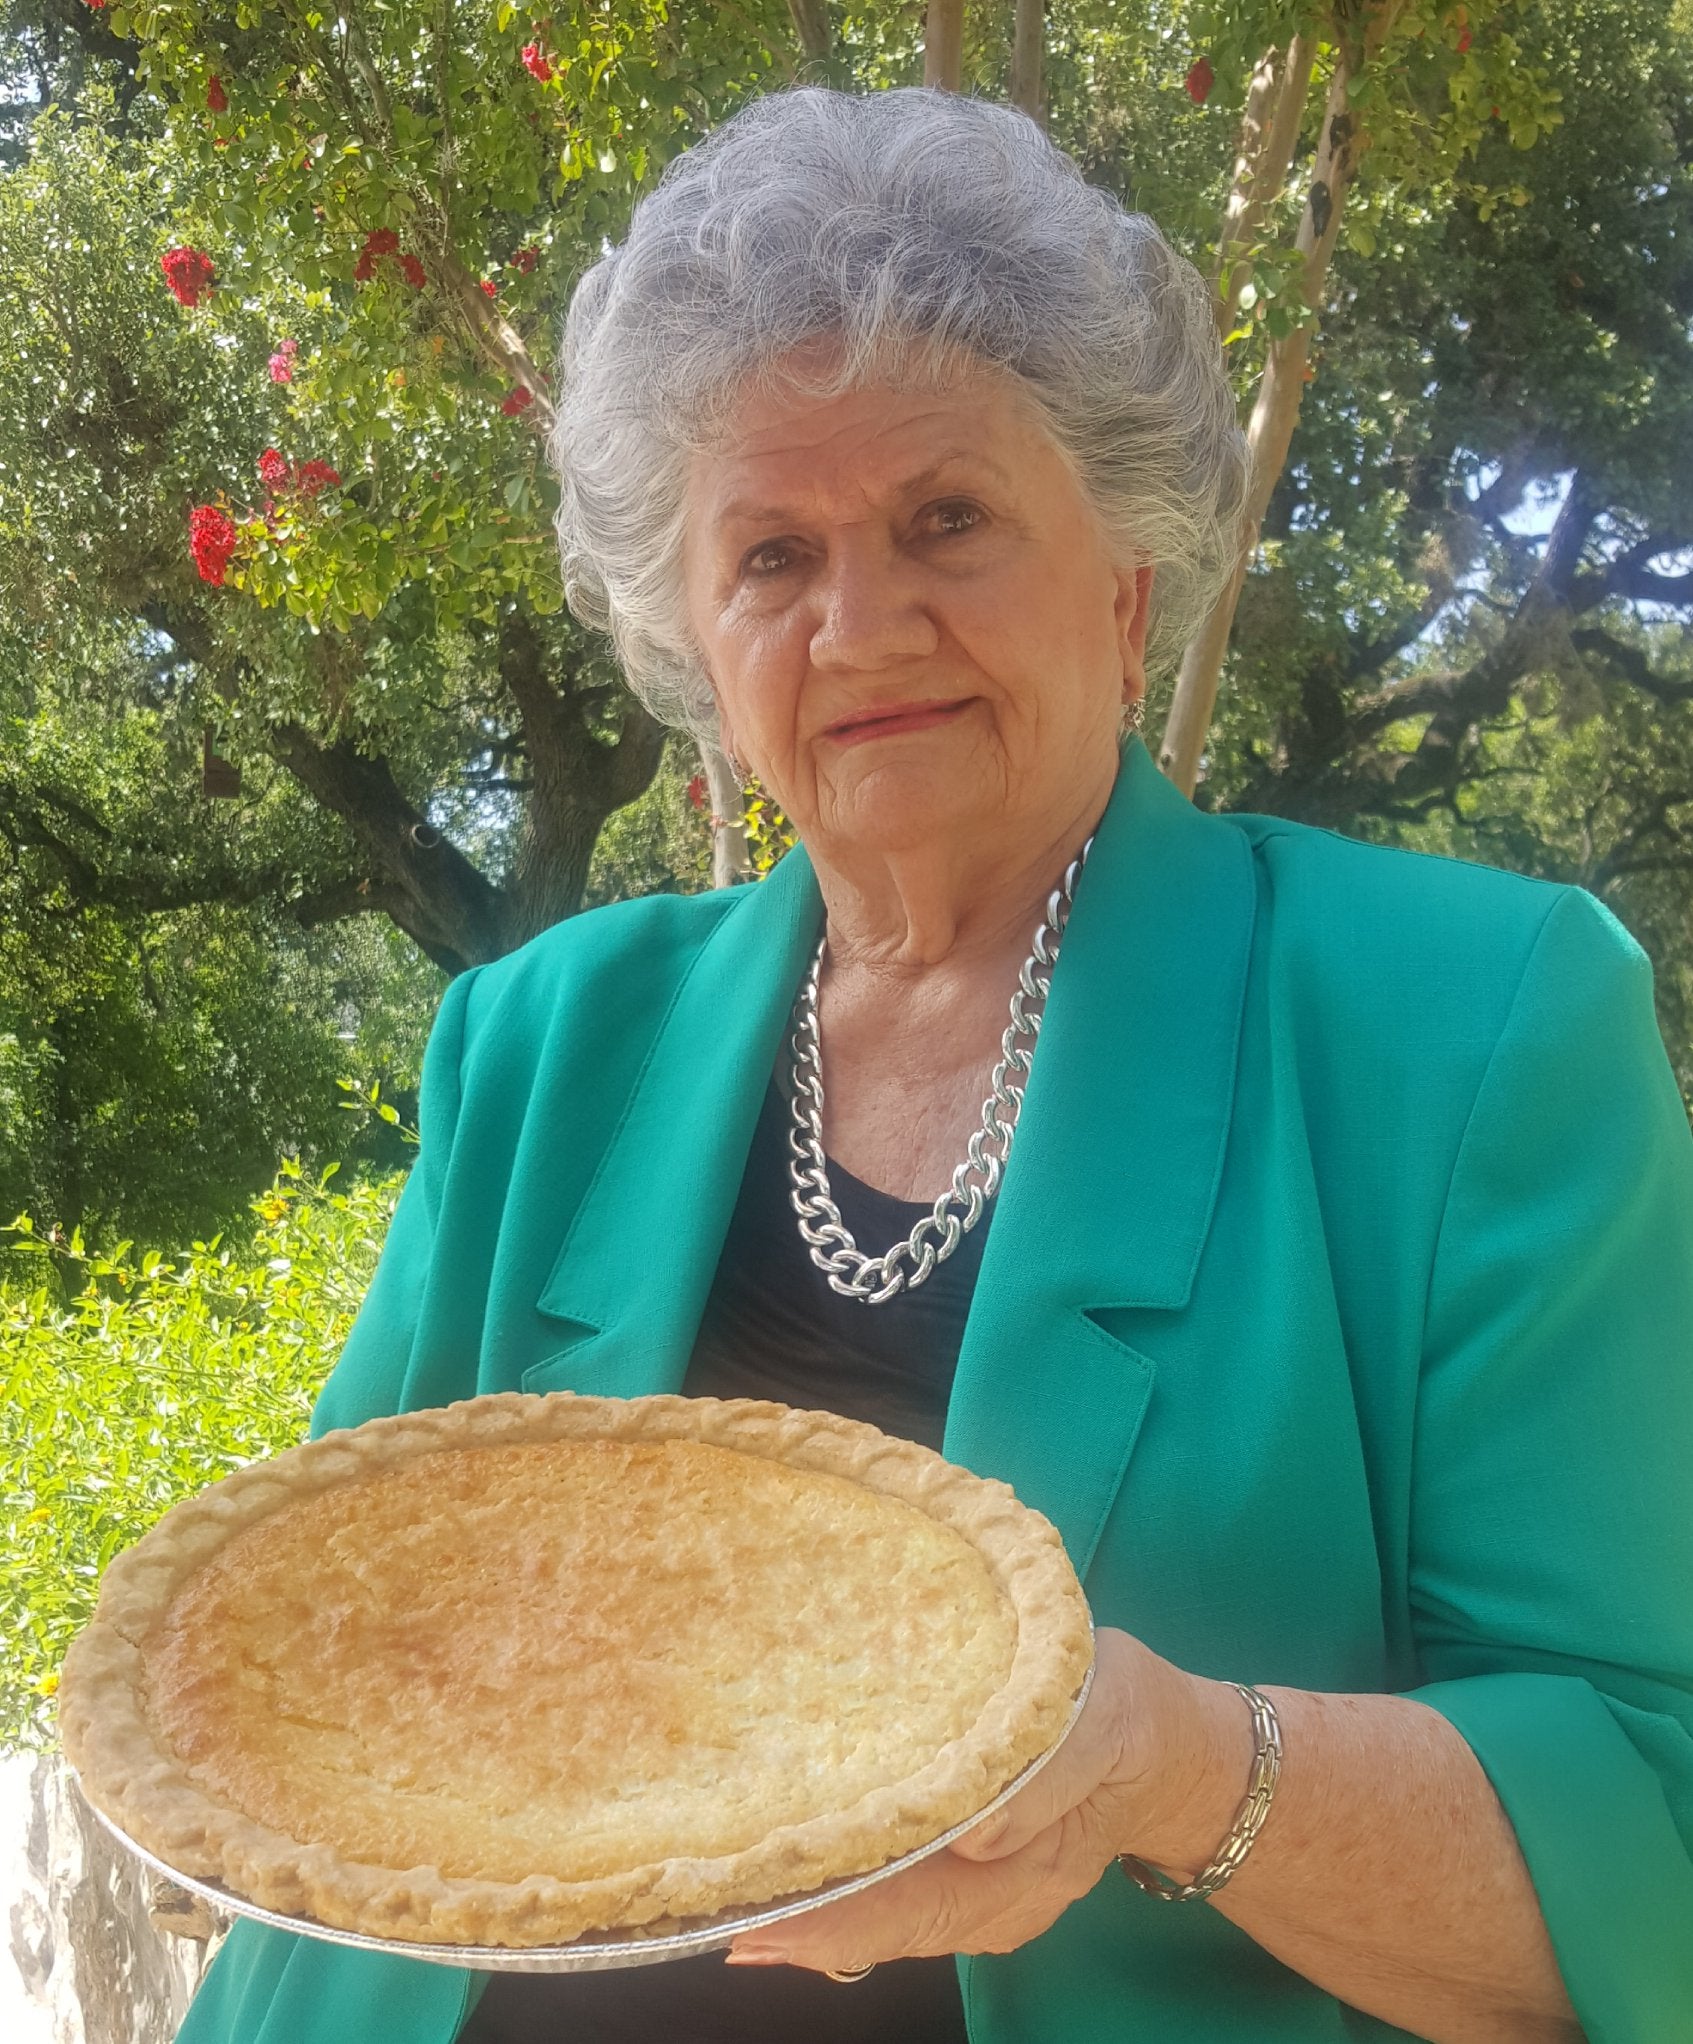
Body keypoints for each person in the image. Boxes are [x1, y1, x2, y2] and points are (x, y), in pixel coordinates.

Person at [176, 86, 1693, 2044]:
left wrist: (1164, 1762)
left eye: (945, 518)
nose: (860, 622)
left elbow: (1647, 1835)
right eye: (770, 554)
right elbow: (318, 1664)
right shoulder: (540, 1040)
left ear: (1127, 572)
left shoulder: (1471, 1023)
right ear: (695, 647)